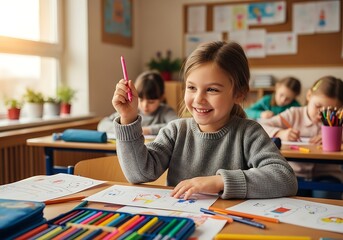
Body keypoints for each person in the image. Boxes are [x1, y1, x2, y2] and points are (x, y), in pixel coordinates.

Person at [111, 41, 297, 200]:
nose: (199, 99)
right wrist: (128, 118)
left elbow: (285, 179)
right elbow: (139, 173)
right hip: (182, 221)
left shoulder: (248, 133)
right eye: (191, 87)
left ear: (238, 93)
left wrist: (219, 182)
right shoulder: (176, 131)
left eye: (212, 90)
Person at [260, 76, 343, 199]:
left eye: (329, 110)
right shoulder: (294, 114)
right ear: (309, 95)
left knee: (324, 198)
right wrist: (280, 132)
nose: (322, 114)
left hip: (328, 175)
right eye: (318, 106)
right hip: (293, 174)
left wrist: (337, 137)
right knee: (290, 200)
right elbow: (260, 125)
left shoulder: (338, 120)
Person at [98, 71, 178, 136]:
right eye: (141, 100)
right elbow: (102, 125)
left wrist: (148, 130)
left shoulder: (165, 111)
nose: (145, 106)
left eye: (151, 102)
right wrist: (126, 129)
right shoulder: (131, 111)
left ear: (161, 98)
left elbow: (176, 125)